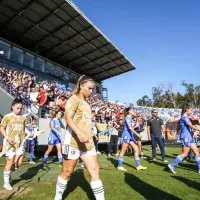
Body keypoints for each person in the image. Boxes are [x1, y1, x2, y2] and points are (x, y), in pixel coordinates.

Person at [54, 75, 105, 200]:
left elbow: (84, 121)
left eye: (93, 89)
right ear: (81, 86)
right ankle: (58, 196)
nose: (91, 91)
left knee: (94, 171)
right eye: (89, 88)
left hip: (87, 144)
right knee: (67, 172)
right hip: (73, 142)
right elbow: (68, 119)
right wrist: (79, 132)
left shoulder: (87, 104)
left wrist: (90, 131)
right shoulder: (74, 99)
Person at [0, 98, 33, 191]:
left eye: (21, 108)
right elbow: (1, 128)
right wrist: (7, 138)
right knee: (10, 162)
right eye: (18, 108)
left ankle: (9, 173)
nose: (19, 110)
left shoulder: (23, 118)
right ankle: (6, 183)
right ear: (13, 107)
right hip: (9, 144)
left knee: (19, 163)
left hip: (20, 143)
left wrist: (29, 133)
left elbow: (24, 128)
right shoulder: (7, 117)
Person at [168, 105, 200, 174]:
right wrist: (198, 129)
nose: (192, 112)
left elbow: (178, 127)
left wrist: (173, 135)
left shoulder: (183, 118)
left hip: (189, 137)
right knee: (185, 154)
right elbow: (191, 126)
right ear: (187, 109)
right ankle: (172, 165)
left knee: (196, 151)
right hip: (186, 137)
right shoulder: (185, 117)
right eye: (191, 110)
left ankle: (199, 169)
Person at [117, 107, 147, 172]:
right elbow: (130, 128)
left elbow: (131, 127)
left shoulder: (130, 118)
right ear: (129, 111)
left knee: (136, 149)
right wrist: (137, 134)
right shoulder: (127, 118)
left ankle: (138, 166)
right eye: (133, 110)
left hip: (130, 136)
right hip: (126, 136)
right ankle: (119, 166)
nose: (134, 111)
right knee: (123, 151)